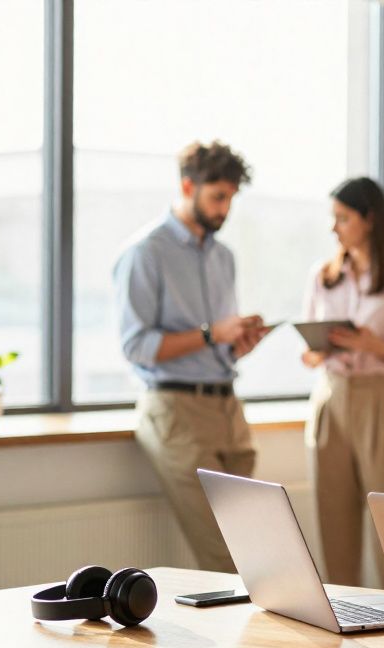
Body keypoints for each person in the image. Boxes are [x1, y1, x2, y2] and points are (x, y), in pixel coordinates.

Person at [114, 140, 270, 573]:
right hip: (177, 412)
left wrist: (237, 339)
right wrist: (210, 333)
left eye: (231, 199)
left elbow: (216, 337)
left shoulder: (224, 257)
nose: (225, 209)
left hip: (228, 408)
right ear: (187, 186)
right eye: (218, 197)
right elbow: (135, 346)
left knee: (260, 548)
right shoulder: (145, 253)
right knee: (224, 558)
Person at [301, 176, 384, 587]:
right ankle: (342, 620)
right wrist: (322, 349)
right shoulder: (323, 276)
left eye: (342, 218)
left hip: (382, 400)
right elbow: (306, 354)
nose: (334, 228)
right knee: (333, 520)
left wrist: (377, 347)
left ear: (369, 219)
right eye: (333, 218)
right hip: (330, 397)